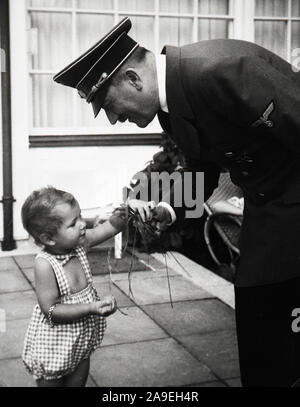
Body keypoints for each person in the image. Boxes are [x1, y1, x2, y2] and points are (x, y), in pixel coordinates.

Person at [53, 18, 300, 386]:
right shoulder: (174, 105)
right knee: (259, 335)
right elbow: (203, 170)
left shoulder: (223, 71)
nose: (115, 118)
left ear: (134, 79)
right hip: (269, 220)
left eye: (109, 105)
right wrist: (169, 209)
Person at [21, 186, 155, 387]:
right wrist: (91, 308)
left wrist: (129, 209)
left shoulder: (80, 243)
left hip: (81, 340)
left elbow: (111, 226)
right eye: (74, 223)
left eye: (81, 216)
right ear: (48, 238)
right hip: (54, 345)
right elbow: (50, 310)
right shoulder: (45, 264)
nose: (83, 224)